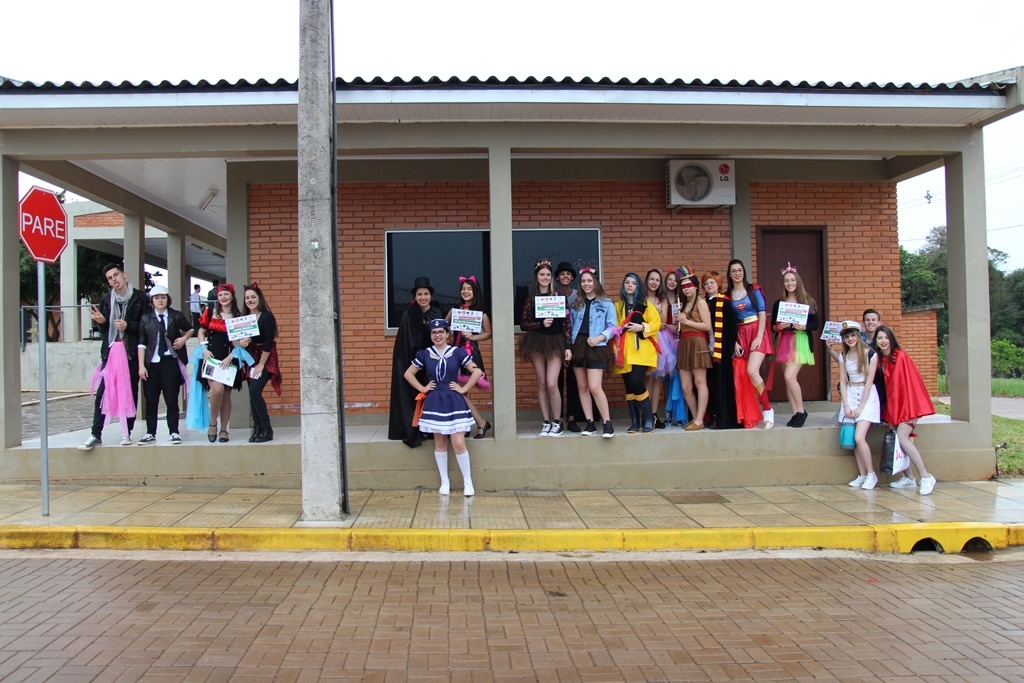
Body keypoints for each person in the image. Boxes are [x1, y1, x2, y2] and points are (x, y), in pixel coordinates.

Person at [404, 319, 483, 496]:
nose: (437, 335)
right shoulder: (425, 354)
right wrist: (422, 388)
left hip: (454, 401)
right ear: (430, 335)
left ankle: (468, 482)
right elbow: (408, 373)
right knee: (440, 443)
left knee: (458, 442)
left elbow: (477, 371)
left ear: (448, 334)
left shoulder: (457, 352)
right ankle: (444, 481)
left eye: (441, 332)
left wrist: (463, 388)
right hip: (435, 402)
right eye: (434, 332)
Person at [79, 263, 148, 451]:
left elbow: (146, 326)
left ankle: (127, 433)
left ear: (124, 274)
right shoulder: (106, 300)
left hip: (131, 353)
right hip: (111, 352)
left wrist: (128, 326)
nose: (114, 280)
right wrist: (102, 322)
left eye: (116, 275)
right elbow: (106, 331)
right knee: (103, 393)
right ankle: (95, 434)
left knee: (130, 392)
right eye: (110, 278)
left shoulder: (140, 298)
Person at [875, 325, 937, 494]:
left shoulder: (899, 356)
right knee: (897, 439)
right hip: (895, 405)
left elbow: (905, 386)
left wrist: (899, 411)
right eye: (880, 338)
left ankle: (926, 476)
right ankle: (909, 478)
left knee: (902, 437)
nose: (883, 341)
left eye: (886, 337)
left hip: (909, 404)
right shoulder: (881, 359)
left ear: (891, 339)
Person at [389, 276, 443, 448]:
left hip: (434, 361)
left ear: (430, 295)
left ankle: (433, 428)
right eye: (420, 294)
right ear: (415, 296)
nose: (423, 297)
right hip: (415, 361)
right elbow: (405, 342)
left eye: (426, 294)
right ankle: (416, 429)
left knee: (434, 394)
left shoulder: (437, 313)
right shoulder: (408, 315)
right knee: (415, 395)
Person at [520, 260, 572, 437]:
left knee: (551, 383)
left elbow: (566, 323)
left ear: (552, 277)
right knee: (542, 383)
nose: (545, 277)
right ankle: (546, 421)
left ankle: (557, 421)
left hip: (555, 342)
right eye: (542, 274)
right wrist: (540, 324)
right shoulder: (531, 298)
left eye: (548, 275)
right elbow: (523, 324)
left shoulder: (559, 296)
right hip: (537, 342)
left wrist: (568, 346)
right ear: (536, 276)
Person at [136, 285, 192, 444]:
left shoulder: (175, 315)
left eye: (163, 297)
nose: (160, 300)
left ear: (168, 299)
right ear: (152, 301)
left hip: (170, 362)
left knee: (171, 399)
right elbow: (142, 343)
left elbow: (190, 329)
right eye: (156, 298)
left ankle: (174, 431)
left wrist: (184, 338)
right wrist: (141, 365)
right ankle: (150, 432)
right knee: (151, 400)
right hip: (152, 364)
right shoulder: (146, 318)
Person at [568, 267, 618, 438]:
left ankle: (607, 423)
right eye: (583, 281)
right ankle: (590, 423)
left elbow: (613, 327)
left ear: (596, 282)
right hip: (578, 345)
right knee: (582, 387)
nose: (586, 284)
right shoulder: (576, 304)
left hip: (596, 345)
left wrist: (599, 338)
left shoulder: (606, 303)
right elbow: (570, 326)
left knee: (595, 387)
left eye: (589, 280)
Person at [727, 259, 774, 429]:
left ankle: (767, 409)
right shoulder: (727, 296)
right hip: (739, 335)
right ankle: (751, 412)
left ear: (744, 272)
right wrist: (734, 343)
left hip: (757, 331)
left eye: (740, 270)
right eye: (734, 271)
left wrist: (759, 337)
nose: (737, 273)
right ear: (729, 274)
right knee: (743, 376)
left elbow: (762, 313)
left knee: (752, 370)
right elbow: (728, 322)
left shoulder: (754, 290)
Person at [771, 264, 819, 428]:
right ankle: (795, 414)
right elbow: (772, 327)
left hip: (800, 341)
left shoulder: (807, 301)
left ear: (797, 281)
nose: (790, 283)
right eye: (786, 281)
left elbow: (816, 324)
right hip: (784, 341)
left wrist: (804, 327)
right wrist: (780, 326)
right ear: (783, 283)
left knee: (789, 376)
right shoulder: (779, 303)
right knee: (789, 380)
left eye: (792, 280)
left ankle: (801, 411)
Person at [613, 272, 662, 434]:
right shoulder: (618, 306)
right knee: (629, 386)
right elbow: (613, 328)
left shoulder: (645, 304)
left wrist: (641, 327)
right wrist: (615, 350)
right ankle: (635, 422)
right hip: (623, 351)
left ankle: (649, 418)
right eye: (627, 282)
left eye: (633, 283)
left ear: (638, 286)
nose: (630, 285)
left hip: (642, 351)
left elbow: (656, 323)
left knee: (635, 381)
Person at [197, 283, 246, 443]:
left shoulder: (238, 316)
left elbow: (242, 341)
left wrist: (231, 356)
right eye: (220, 295)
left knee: (226, 394)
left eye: (226, 294)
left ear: (232, 296)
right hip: (211, 357)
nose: (223, 297)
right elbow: (201, 331)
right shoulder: (210, 312)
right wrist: (204, 349)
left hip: (230, 357)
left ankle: (224, 429)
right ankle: (213, 423)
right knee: (217, 390)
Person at [446, 275, 492, 439]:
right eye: (463, 289)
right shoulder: (454, 310)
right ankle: (472, 424)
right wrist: (449, 333)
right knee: (459, 392)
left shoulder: (481, 314)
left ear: (475, 291)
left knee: (459, 391)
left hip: (470, 352)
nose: (465, 291)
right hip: (454, 352)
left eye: (469, 289)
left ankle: (478, 423)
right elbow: (443, 326)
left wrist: (473, 336)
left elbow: (488, 333)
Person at [838, 321, 881, 490]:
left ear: (858, 336)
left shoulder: (870, 354)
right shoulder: (843, 355)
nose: (850, 339)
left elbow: (869, 382)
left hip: (867, 397)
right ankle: (862, 475)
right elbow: (842, 382)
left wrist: (861, 407)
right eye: (847, 336)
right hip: (850, 394)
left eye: (852, 335)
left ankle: (871, 474)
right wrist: (846, 405)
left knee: (859, 437)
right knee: (852, 439)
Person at [239, 284, 282, 443]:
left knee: (255, 391)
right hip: (250, 357)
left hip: (265, 356)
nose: (250, 300)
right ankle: (257, 428)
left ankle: (267, 428)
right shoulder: (244, 318)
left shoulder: (266, 316)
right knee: (251, 393)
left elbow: (269, 342)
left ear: (259, 299)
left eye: (253, 297)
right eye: (247, 298)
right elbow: (240, 338)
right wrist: (242, 342)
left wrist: (261, 364)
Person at [675, 268, 711, 430]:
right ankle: (696, 418)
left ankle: (699, 419)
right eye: (683, 286)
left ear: (696, 286)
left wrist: (687, 322)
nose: (686, 288)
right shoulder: (682, 304)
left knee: (700, 381)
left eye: (689, 285)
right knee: (686, 386)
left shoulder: (701, 302)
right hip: (684, 343)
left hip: (698, 342)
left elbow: (707, 326)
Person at [703, 271, 739, 430]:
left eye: (712, 282)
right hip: (705, 349)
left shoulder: (725, 302)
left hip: (721, 350)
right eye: (706, 283)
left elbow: (732, 327)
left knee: (721, 383)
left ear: (718, 284)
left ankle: (723, 419)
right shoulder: (702, 303)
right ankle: (711, 416)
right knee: (709, 383)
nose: (709, 285)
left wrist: (729, 347)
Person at [554, 261, 583, 432]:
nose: (565, 276)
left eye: (568, 274)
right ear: (557, 278)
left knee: (573, 379)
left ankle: (572, 416)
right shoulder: (552, 295)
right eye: (562, 274)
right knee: (556, 380)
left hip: (575, 342)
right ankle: (557, 417)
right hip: (556, 341)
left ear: (572, 277)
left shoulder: (579, 296)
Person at [641, 269, 669, 428]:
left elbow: (663, 322)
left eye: (657, 280)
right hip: (645, 338)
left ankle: (654, 413)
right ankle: (645, 413)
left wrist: (658, 311)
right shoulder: (641, 298)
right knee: (647, 377)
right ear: (646, 281)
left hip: (660, 339)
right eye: (651, 279)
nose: (654, 282)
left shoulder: (662, 300)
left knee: (657, 377)